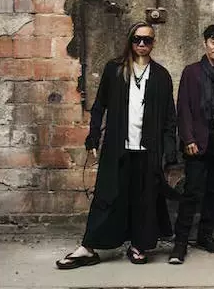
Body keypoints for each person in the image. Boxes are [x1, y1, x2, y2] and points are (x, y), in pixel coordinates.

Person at [56, 22, 177, 269]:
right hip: (117, 146)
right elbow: (99, 105)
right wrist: (93, 136)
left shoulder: (161, 75)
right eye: (137, 39)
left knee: (145, 198)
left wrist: (169, 152)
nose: (141, 44)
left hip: (148, 150)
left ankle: (138, 245)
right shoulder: (115, 69)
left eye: (147, 40)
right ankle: (88, 247)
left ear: (153, 43)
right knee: (107, 195)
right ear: (130, 41)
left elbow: (169, 117)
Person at [168, 24, 214, 265]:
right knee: (191, 193)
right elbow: (183, 109)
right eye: (213, 42)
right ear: (205, 43)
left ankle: (205, 236)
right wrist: (188, 139)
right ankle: (180, 243)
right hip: (198, 143)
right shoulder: (191, 72)